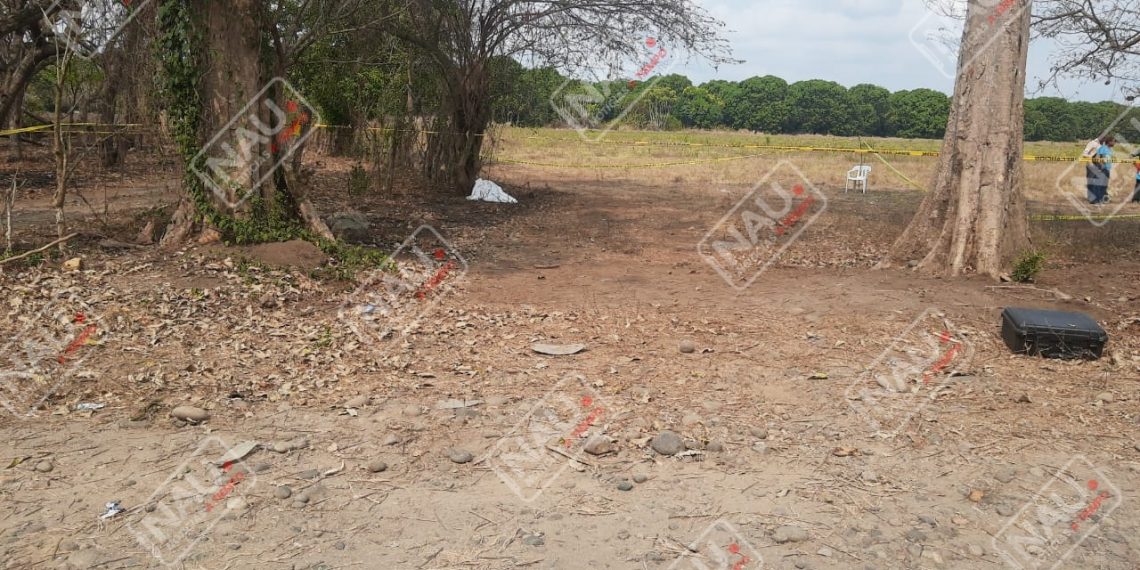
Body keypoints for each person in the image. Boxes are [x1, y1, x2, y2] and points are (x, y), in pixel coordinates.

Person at [1087, 135, 1114, 204]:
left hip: (1107, 169)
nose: (1114, 143)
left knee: (1104, 186)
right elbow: (1098, 157)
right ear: (1109, 142)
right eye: (1113, 141)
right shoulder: (1103, 148)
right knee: (1098, 185)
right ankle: (1095, 200)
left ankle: (1102, 199)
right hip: (1102, 169)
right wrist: (1100, 167)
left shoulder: (1110, 149)